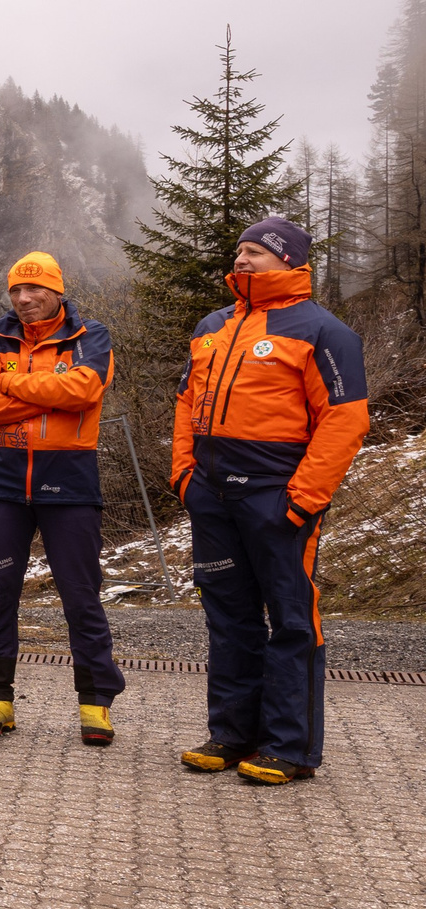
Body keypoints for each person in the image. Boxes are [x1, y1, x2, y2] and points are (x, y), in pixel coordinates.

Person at [171, 217, 367, 785]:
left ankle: (290, 746)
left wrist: (305, 497)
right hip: (211, 494)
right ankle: (231, 734)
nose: (243, 259)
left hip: (277, 493)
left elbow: (346, 419)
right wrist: (185, 474)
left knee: (291, 620)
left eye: (257, 252)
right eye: (240, 251)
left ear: (290, 262)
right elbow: (186, 402)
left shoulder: (323, 331)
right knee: (229, 617)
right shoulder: (212, 326)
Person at [0, 252, 123, 744]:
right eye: (16, 291)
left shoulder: (90, 336)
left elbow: (84, 389)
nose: (25, 299)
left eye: (35, 290)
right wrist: (47, 392)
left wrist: (8, 383)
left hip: (69, 480)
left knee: (81, 597)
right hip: (3, 481)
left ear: (57, 290)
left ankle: (96, 705)